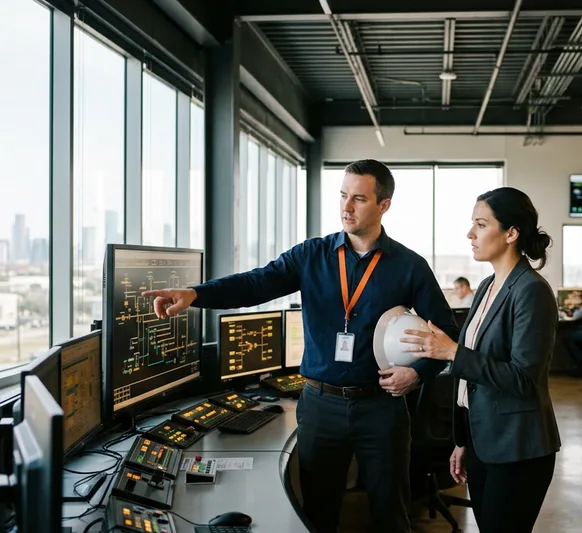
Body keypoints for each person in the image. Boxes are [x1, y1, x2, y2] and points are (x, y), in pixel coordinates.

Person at [141, 159, 459, 533]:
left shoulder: (409, 266)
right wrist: (196, 293)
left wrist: (416, 373)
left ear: (383, 204)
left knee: (391, 515)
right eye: (343, 196)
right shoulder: (312, 255)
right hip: (321, 406)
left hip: (382, 408)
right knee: (317, 513)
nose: (346, 207)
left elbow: (446, 333)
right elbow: (255, 284)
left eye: (359, 198)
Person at [401, 187, 560, 533]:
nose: (470, 234)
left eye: (481, 224)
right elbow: (473, 376)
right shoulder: (489, 286)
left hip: (518, 447)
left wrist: (451, 351)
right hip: (484, 441)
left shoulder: (531, 291)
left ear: (511, 233)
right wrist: (463, 441)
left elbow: (523, 379)